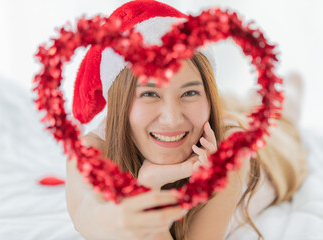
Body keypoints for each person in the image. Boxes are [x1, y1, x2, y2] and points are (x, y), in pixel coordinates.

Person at [65, 1, 308, 240]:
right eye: (149, 94)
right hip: (205, 122)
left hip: (265, 152)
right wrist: (148, 187)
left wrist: (146, 191)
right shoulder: (93, 149)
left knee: (281, 114)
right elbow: (86, 213)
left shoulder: (230, 155)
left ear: (208, 93)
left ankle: (291, 86)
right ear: (121, 101)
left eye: (190, 92)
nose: (171, 119)